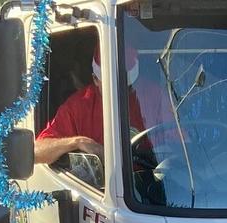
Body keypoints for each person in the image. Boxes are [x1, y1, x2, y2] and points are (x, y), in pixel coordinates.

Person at [34, 44, 172, 165]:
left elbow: (180, 143)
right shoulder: (79, 106)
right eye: (112, 87)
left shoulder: (155, 96)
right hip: (102, 189)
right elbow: (37, 151)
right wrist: (78, 142)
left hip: (157, 182)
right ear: (95, 79)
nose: (121, 92)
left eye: (128, 87)